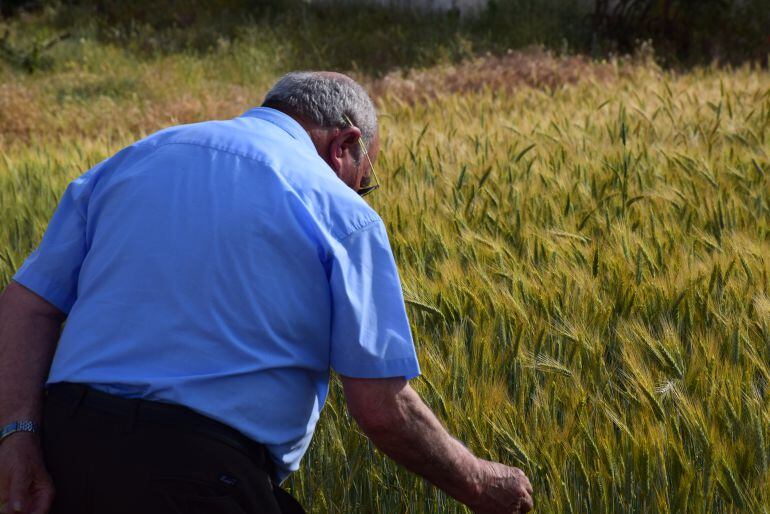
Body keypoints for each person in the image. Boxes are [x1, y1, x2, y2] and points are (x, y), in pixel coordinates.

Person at [0, 71, 533, 514]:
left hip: (63, 452)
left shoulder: (132, 160)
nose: (360, 193)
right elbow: (380, 409)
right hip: (199, 476)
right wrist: (479, 484)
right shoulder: (341, 211)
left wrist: (17, 436)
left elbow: (26, 304)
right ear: (345, 145)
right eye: (364, 179)